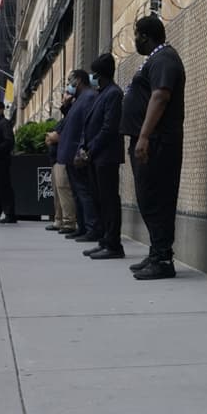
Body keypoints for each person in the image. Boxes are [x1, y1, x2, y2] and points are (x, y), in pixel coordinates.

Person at [122, 14, 186, 280]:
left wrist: (145, 136)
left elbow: (160, 96)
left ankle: (163, 259)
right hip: (149, 142)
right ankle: (156, 251)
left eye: (136, 35)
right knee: (148, 199)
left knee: (156, 199)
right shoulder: (156, 59)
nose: (135, 40)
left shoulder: (164, 59)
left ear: (145, 36)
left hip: (157, 143)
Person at [76, 53, 124, 260]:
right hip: (96, 157)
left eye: (94, 74)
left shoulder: (113, 93)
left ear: (101, 75)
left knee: (109, 200)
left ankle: (113, 244)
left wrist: (90, 150)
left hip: (106, 157)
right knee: (99, 200)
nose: (92, 78)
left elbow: (108, 128)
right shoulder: (101, 93)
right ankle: (105, 240)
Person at [62, 69, 99, 241]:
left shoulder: (89, 97)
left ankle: (91, 228)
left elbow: (87, 126)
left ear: (79, 80)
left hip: (78, 154)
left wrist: (81, 151)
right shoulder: (77, 100)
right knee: (77, 192)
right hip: (69, 154)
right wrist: (66, 104)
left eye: (70, 80)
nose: (69, 84)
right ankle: (82, 226)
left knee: (84, 192)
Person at [45, 90, 73, 231]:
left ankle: (68, 222)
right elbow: (51, 137)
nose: (63, 98)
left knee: (63, 189)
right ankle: (59, 220)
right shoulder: (65, 118)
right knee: (57, 191)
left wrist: (52, 137)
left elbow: (57, 137)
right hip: (56, 159)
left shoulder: (72, 116)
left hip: (62, 158)